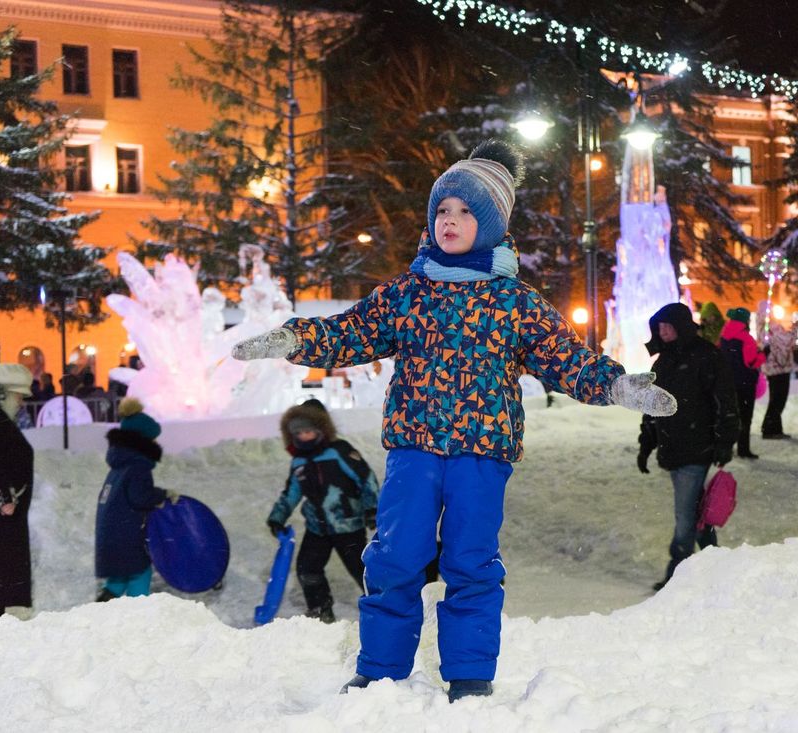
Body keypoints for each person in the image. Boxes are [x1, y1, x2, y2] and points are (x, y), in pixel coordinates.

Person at [230, 139, 675, 703]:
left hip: (483, 452)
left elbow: (565, 358)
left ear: (490, 223)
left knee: (470, 561)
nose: (450, 220)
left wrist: (615, 384)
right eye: (443, 209)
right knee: (395, 555)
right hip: (415, 447)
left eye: (466, 211)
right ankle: (380, 669)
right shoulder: (409, 293)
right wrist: (296, 337)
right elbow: (350, 331)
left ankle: (469, 676)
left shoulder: (515, 301)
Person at [637, 303, 738, 591]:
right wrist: (646, 444)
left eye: (667, 326)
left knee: (685, 514)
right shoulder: (664, 362)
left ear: (680, 326)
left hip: (697, 447)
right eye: (659, 328)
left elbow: (725, 402)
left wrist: (724, 442)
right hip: (673, 446)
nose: (662, 332)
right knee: (697, 512)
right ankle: (713, 564)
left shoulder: (707, 356)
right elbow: (651, 406)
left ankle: (677, 572)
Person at [267, 398, 379, 623]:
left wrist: (372, 509)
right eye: (299, 433)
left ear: (322, 429)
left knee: (361, 569)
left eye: (309, 431)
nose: (304, 437)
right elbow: (291, 493)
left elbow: (367, 480)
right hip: (317, 527)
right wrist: (277, 517)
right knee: (307, 568)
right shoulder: (299, 461)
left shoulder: (339, 451)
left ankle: (380, 605)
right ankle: (320, 609)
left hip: (347, 524)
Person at [95, 398, 178, 601]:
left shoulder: (120, 464)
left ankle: (99, 615)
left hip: (111, 535)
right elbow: (140, 497)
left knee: (117, 581)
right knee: (141, 573)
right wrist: (163, 495)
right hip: (126, 535)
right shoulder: (138, 465)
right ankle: (137, 616)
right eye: (152, 439)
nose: (156, 443)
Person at [0, 364, 34, 617]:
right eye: (19, 396)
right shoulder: (0, 424)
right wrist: (5, 496)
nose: (21, 402)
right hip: (5, 516)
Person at [719, 307, 765, 459]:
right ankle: (743, 449)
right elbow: (751, 362)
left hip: (728, 382)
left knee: (731, 416)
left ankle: (726, 447)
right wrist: (763, 355)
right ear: (745, 321)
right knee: (745, 418)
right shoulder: (746, 338)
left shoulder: (724, 336)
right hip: (745, 383)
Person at [760, 321, 796, 439]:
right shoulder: (778, 338)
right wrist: (793, 332)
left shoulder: (769, 336)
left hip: (774, 373)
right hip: (779, 373)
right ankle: (769, 429)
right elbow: (782, 358)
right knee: (778, 401)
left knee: (776, 401)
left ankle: (774, 429)